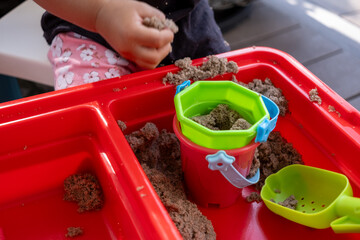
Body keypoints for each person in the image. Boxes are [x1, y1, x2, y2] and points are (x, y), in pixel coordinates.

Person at [34, 0, 230, 90]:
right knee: (88, 113)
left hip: (187, 17)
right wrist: (100, 13)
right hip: (90, 28)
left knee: (227, 84)